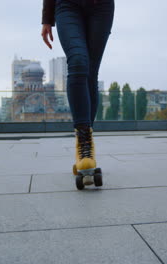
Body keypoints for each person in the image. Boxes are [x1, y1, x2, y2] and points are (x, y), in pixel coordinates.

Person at [41, 0, 114, 189]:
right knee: (79, 61)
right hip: (67, 5)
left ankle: (85, 147)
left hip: (101, 6)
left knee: (90, 73)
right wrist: (47, 18)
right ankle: (84, 142)